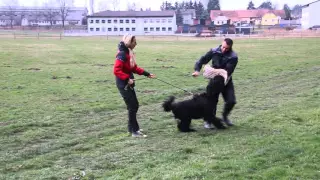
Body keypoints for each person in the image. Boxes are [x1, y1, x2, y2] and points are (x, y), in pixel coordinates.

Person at [113, 34, 156, 138]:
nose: (136, 44)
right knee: (133, 106)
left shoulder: (128, 53)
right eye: (134, 42)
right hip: (124, 84)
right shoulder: (122, 54)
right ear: (128, 42)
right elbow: (116, 70)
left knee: (133, 105)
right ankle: (135, 131)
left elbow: (134, 68)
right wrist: (127, 79)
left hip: (128, 83)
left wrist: (147, 74)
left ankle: (131, 128)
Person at [192, 38, 238, 128]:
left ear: (231, 47)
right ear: (222, 44)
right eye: (223, 47)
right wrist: (197, 70)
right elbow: (202, 60)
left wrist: (211, 70)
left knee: (231, 101)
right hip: (214, 81)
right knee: (211, 102)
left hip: (226, 81)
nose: (224, 50)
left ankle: (225, 117)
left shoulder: (233, 57)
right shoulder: (214, 51)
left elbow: (226, 71)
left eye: (227, 48)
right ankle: (208, 121)